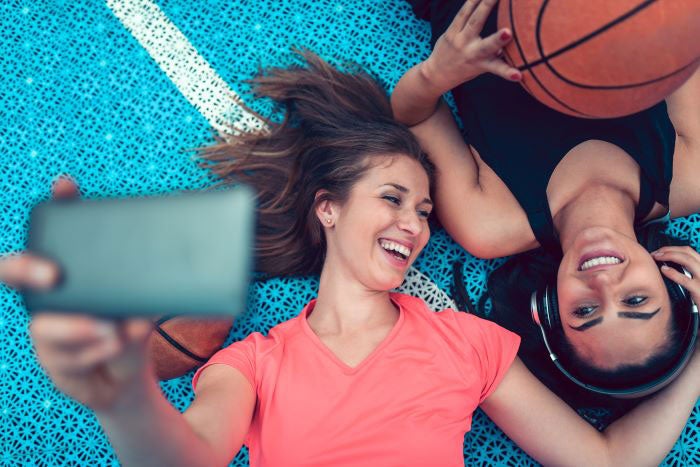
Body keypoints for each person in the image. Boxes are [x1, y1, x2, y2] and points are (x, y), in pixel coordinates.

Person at [3, 51, 699, 466]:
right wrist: (123, 397)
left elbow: (610, 459)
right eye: (395, 198)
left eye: (426, 211)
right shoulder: (253, 362)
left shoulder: (470, 345)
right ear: (328, 209)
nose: (416, 224)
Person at [392, 0, 700, 415]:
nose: (605, 284)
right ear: (672, 281)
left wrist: (436, 74)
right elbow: (683, 34)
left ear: (548, 308)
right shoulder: (689, 174)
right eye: (636, 300)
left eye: (585, 311)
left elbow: (414, 115)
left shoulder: (490, 224)